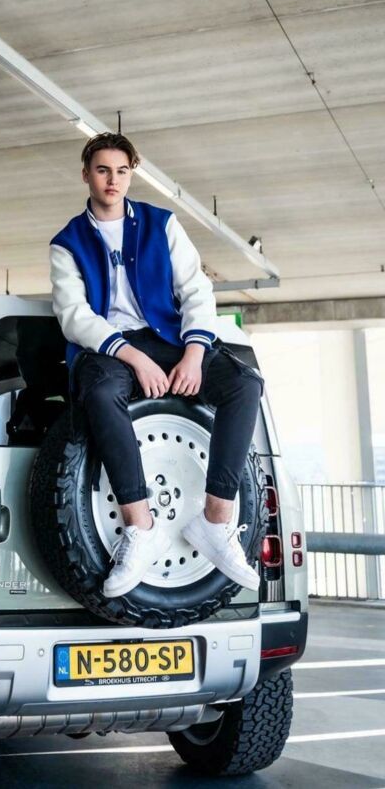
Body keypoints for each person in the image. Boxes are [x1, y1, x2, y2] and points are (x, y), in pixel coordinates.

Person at [49, 132, 264, 599]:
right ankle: (140, 526)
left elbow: (196, 290)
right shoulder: (66, 242)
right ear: (86, 174)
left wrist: (194, 352)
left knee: (244, 385)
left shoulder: (161, 224)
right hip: (108, 350)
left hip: (168, 338)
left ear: (131, 175)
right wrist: (132, 356)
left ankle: (216, 521)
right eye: (103, 170)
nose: (113, 180)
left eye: (122, 171)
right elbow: (73, 316)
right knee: (101, 393)